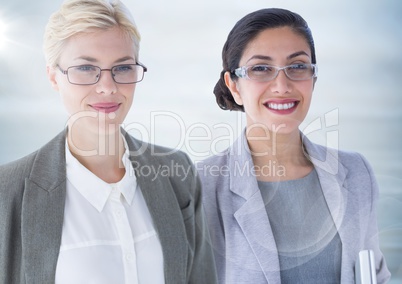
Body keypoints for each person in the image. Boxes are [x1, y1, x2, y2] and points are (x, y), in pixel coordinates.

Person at [0, 0, 217, 283]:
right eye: (86, 68)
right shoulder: (9, 191)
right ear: (53, 76)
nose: (107, 87)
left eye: (123, 68)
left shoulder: (177, 171)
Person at [197, 8, 391, 284]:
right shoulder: (202, 186)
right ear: (234, 86)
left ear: (313, 77)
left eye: (297, 66)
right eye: (261, 68)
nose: (282, 86)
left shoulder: (356, 172)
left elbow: (375, 275)